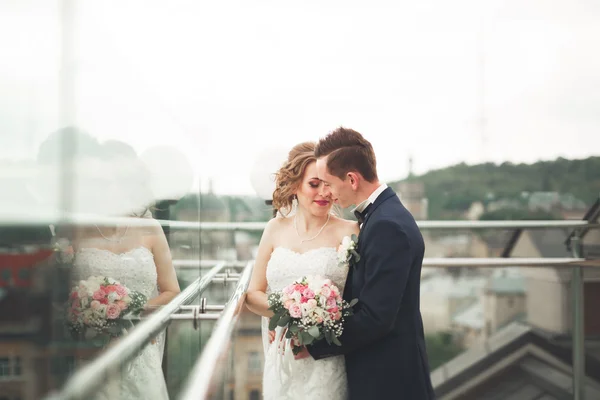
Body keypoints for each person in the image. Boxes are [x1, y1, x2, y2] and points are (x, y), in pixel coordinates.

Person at [302, 127, 435, 399]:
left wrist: (314, 344)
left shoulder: (387, 226)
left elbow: (376, 318)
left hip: (389, 379)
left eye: (328, 183)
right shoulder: (382, 216)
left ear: (351, 179)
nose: (326, 192)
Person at [63, 136, 180, 399]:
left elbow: (172, 291)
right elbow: (58, 294)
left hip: (139, 350)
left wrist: (130, 312)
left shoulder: (150, 229)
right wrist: (91, 318)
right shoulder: (76, 230)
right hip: (91, 351)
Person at [245, 141, 359, 399]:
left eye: (328, 184)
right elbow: (253, 294)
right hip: (281, 356)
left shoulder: (350, 231)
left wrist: (318, 318)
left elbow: (361, 301)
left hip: (327, 360)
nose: (324, 193)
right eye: (314, 184)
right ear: (296, 185)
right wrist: (288, 314)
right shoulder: (274, 228)